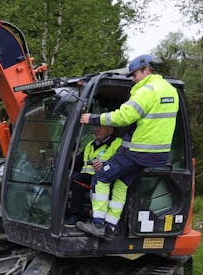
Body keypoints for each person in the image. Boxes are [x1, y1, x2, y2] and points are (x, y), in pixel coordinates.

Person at [76, 54, 178, 239]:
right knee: (121, 185)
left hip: (138, 151)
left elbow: (124, 117)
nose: (133, 79)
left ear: (146, 70)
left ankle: (98, 225)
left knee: (101, 177)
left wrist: (93, 118)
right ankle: (111, 228)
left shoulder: (147, 90)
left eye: (135, 74)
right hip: (158, 154)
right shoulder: (170, 90)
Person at [65, 124, 122, 225]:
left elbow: (122, 163)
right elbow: (77, 162)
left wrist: (104, 165)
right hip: (87, 178)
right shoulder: (90, 144)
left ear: (110, 129)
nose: (96, 130)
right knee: (64, 176)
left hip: (104, 180)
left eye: (100, 127)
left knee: (76, 178)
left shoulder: (118, 144)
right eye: (95, 127)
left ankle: (76, 215)